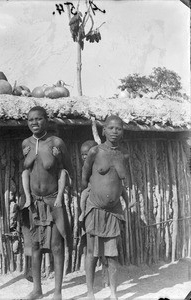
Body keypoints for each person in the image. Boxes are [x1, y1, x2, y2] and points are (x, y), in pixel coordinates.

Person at [21, 106, 73, 300]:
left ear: (47, 121)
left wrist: (62, 195)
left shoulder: (56, 142)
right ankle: (37, 289)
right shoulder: (26, 143)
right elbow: (25, 171)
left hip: (53, 201)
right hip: (33, 203)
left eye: (39, 119)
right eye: (31, 119)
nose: (34, 122)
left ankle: (58, 292)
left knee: (56, 246)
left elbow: (67, 169)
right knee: (35, 246)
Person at [81, 115, 130, 300]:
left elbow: (122, 181)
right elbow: (84, 178)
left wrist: (125, 198)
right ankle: (91, 293)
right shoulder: (95, 152)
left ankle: (114, 294)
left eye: (118, 128)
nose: (114, 132)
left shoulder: (124, 154)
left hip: (114, 212)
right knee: (92, 253)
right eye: (110, 128)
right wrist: (91, 197)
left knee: (112, 254)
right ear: (103, 130)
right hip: (95, 209)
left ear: (122, 132)